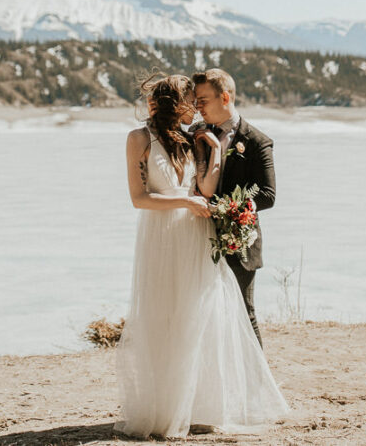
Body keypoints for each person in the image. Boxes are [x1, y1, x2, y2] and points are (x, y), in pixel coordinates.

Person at [113, 73, 289, 439]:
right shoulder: (138, 139)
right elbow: (139, 198)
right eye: (191, 100)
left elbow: (206, 189)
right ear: (174, 103)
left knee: (202, 318)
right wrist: (185, 201)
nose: (197, 107)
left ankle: (199, 407)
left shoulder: (191, 138)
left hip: (195, 235)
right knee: (164, 317)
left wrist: (217, 153)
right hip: (161, 237)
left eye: (199, 100)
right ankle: (165, 408)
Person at [192, 68, 276, 347]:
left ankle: (256, 385)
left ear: (224, 97)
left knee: (243, 312)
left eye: (202, 100)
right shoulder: (194, 135)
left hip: (238, 241)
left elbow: (267, 195)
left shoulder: (256, 141)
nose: (197, 107)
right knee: (200, 314)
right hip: (196, 239)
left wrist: (227, 209)